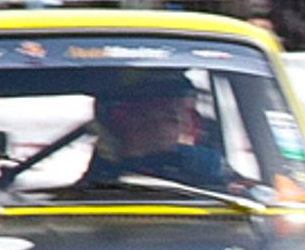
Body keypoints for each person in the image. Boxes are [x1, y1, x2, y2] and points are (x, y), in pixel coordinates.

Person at [80, 70, 230, 192]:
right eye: (163, 107)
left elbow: (236, 193)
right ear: (123, 116)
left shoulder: (205, 163)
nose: (179, 117)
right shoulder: (100, 176)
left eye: (181, 108)